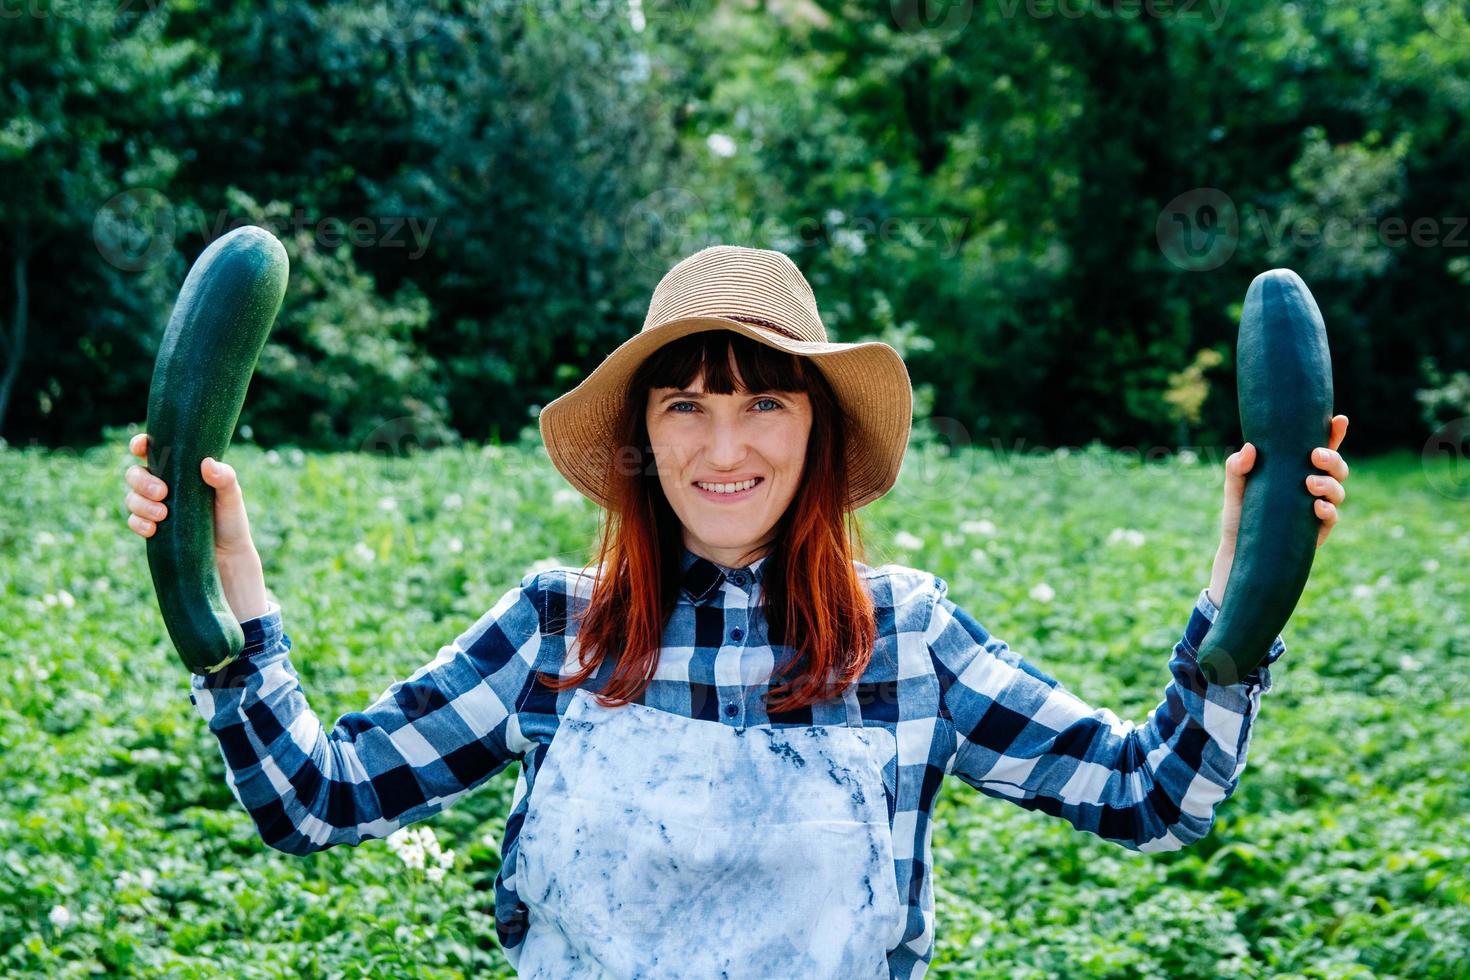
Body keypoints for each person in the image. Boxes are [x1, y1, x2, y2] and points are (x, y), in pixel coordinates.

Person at [123, 244, 1352, 978]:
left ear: (817, 430)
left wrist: (1241, 592)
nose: (726, 445)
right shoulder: (554, 629)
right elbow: (316, 799)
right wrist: (222, 586)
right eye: (685, 406)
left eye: (765, 401)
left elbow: (1152, 796)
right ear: (642, 441)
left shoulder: (908, 636)